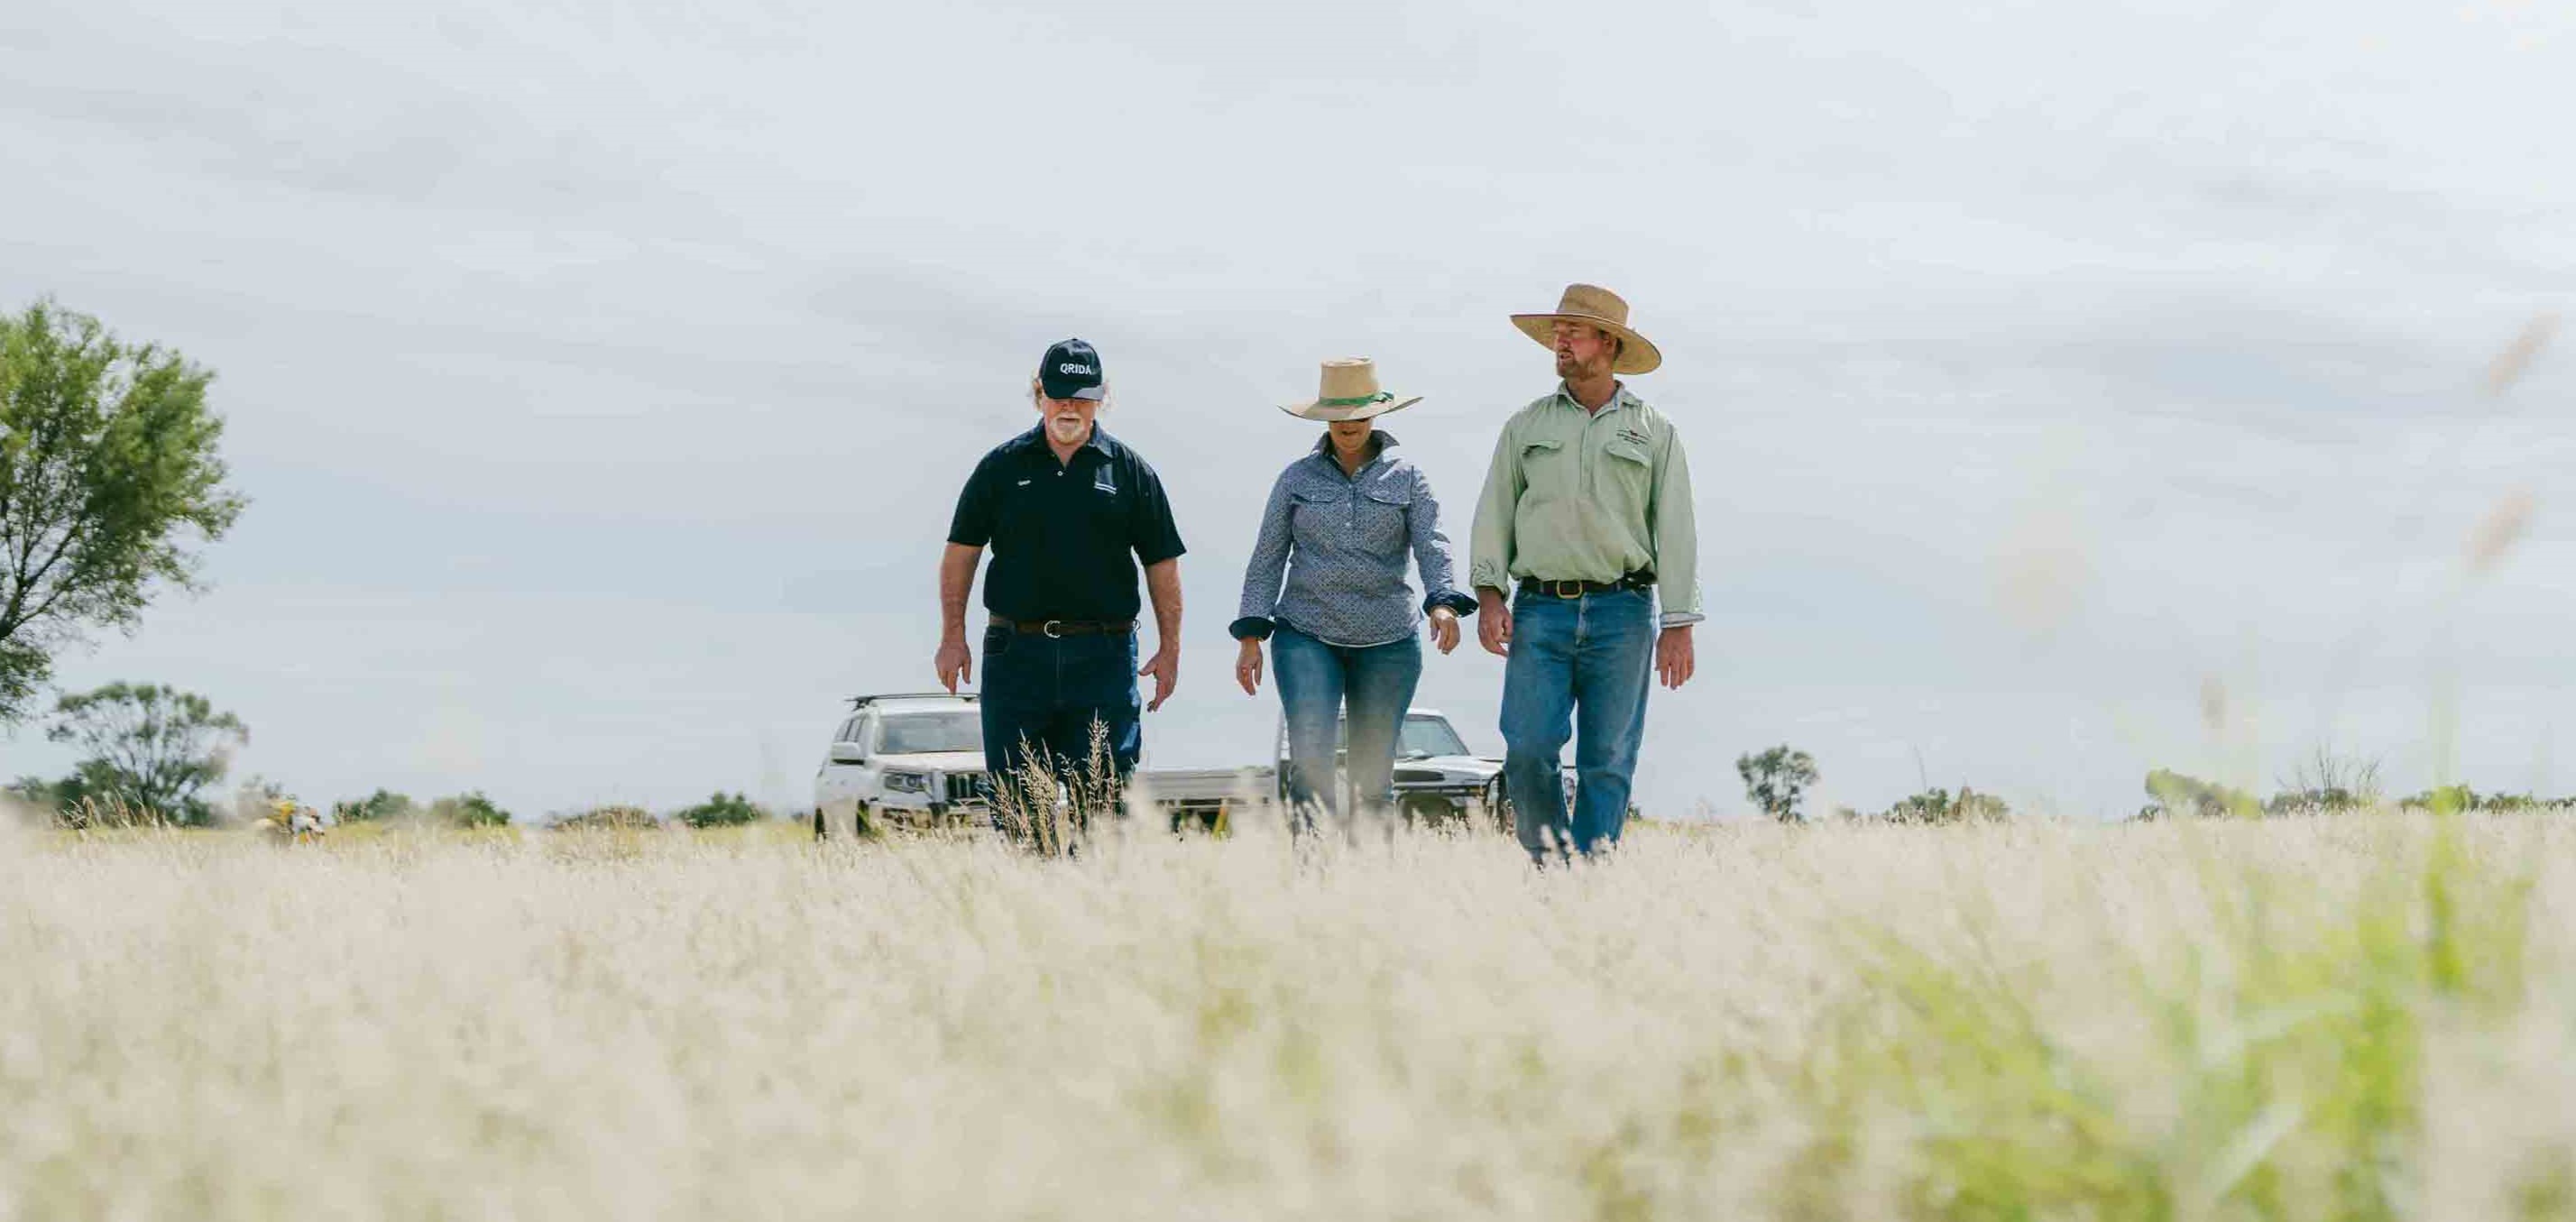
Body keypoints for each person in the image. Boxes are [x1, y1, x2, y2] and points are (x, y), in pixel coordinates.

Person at [1468, 285, 1700, 861]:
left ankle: (1591, 876)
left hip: (1624, 611)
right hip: (1539, 609)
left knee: (1610, 757)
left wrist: (1679, 622)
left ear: (1609, 343)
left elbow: (1675, 529)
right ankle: (1550, 861)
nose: (1560, 341)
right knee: (1526, 746)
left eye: (1573, 331)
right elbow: (1495, 510)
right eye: (1557, 332)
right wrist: (1490, 594)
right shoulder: (1526, 425)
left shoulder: (1654, 431)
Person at [936, 339, 1185, 848]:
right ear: (1039, 395)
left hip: (1104, 655)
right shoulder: (1001, 468)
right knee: (1020, 802)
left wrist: (1171, 648)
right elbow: (962, 552)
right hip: (1016, 654)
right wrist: (953, 636)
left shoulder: (1130, 471)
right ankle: (1034, 905)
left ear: (1102, 399)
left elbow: (1161, 563)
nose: (1070, 406)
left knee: (1105, 801)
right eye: (1059, 394)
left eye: (1083, 396)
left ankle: (1095, 908)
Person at [1232, 359, 1473, 837]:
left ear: (1376, 415)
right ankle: (1314, 885)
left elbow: (1433, 543)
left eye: (1358, 414)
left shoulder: (1407, 477)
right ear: (1323, 417)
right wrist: (1252, 632)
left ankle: (1369, 888)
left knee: (1373, 778)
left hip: (1389, 642)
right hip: (1306, 636)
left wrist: (1442, 601)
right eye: (1338, 415)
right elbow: (1267, 557)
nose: (1348, 425)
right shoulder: (1295, 479)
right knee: (1311, 767)